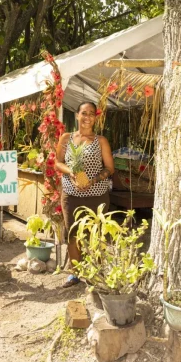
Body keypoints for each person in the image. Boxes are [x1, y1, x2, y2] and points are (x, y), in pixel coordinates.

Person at [56, 101, 114, 287]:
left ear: (95, 117)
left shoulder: (100, 141)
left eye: (91, 113)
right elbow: (58, 163)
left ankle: (95, 272)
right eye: (84, 113)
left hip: (97, 195)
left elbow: (110, 168)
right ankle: (75, 273)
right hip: (71, 194)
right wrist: (71, 172)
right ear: (77, 115)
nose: (87, 117)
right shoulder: (66, 138)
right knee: (73, 233)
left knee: (95, 232)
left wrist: (93, 180)